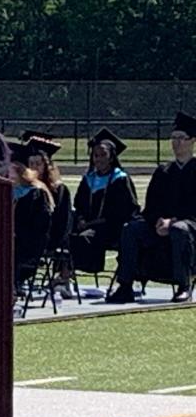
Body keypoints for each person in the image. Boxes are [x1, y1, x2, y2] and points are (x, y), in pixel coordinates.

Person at [108, 113, 196, 304]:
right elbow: (151, 205)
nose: (177, 143)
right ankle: (125, 285)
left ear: (192, 141)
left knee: (179, 229)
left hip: (191, 226)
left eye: (182, 138)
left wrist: (173, 221)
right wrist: (157, 220)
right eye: (174, 138)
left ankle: (184, 286)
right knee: (131, 229)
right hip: (161, 224)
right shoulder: (164, 171)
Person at [70, 128, 139, 279]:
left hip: (112, 228)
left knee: (86, 238)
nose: (99, 159)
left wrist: (92, 225)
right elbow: (79, 203)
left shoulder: (120, 179)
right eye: (95, 155)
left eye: (103, 155)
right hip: (87, 226)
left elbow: (125, 211)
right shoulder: (89, 178)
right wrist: (81, 219)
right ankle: (65, 278)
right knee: (68, 236)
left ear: (111, 157)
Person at [21, 131, 75, 296]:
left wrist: (50, 240)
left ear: (46, 166)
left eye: (38, 164)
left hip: (49, 238)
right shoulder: (23, 189)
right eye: (31, 164)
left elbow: (63, 223)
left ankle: (17, 280)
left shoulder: (59, 190)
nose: (34, 168)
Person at [9, 143, 54, 291]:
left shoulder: (36, 193)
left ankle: (13, 285)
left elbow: (39, 227)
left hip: (29, 244)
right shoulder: (5, 192)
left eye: (11, 169)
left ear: (20, 170)